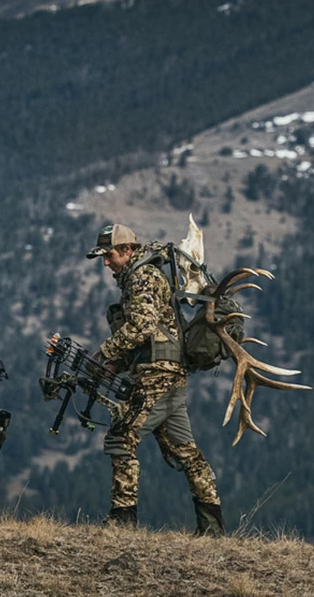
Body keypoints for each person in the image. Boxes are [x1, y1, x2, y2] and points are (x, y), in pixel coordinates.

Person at [87, 223, 224, 535]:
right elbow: (147, 335)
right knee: (186, 451)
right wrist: (116, 364)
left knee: (121, 438)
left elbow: (142, 326)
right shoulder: (144, 275)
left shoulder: (142, 277)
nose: (106, 263)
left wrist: (104, 354)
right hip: (170, 375)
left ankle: (123, 520)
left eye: (109, 256)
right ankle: (213, 527)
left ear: (127, 250)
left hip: (157, 377)